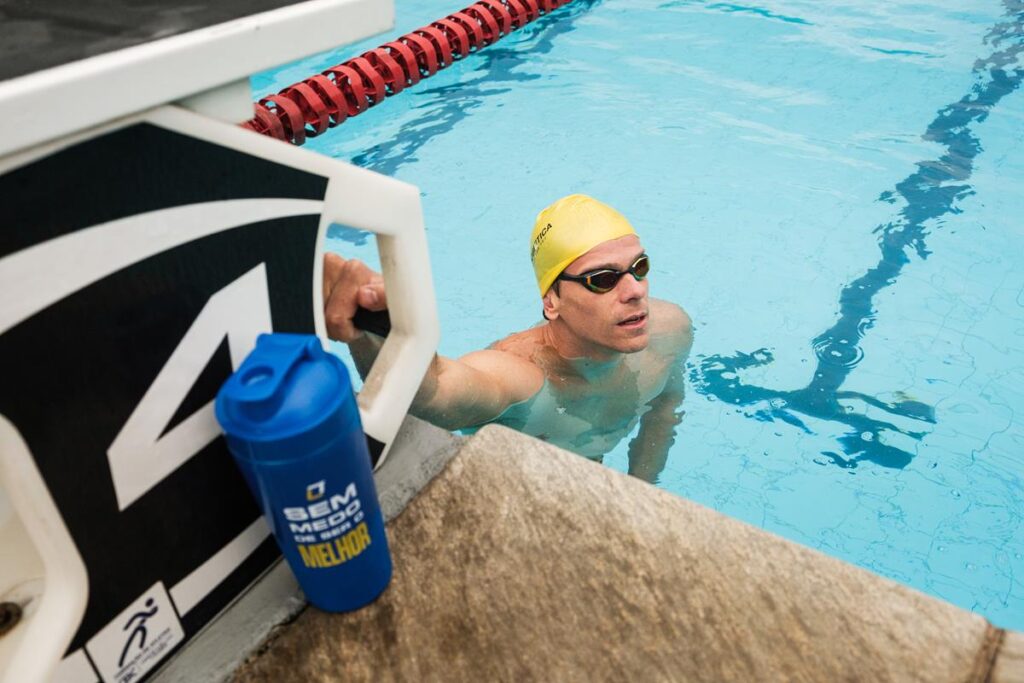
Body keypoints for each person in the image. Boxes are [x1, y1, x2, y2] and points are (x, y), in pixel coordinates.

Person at [323, 194, 693, 482]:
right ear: (552, 301)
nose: (634, 291)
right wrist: (383, 324)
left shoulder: (669, 333)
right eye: (603, 279)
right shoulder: (523, 375)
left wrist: (641, 498)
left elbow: (664, 410)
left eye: (639, 268)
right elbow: (432, 395)